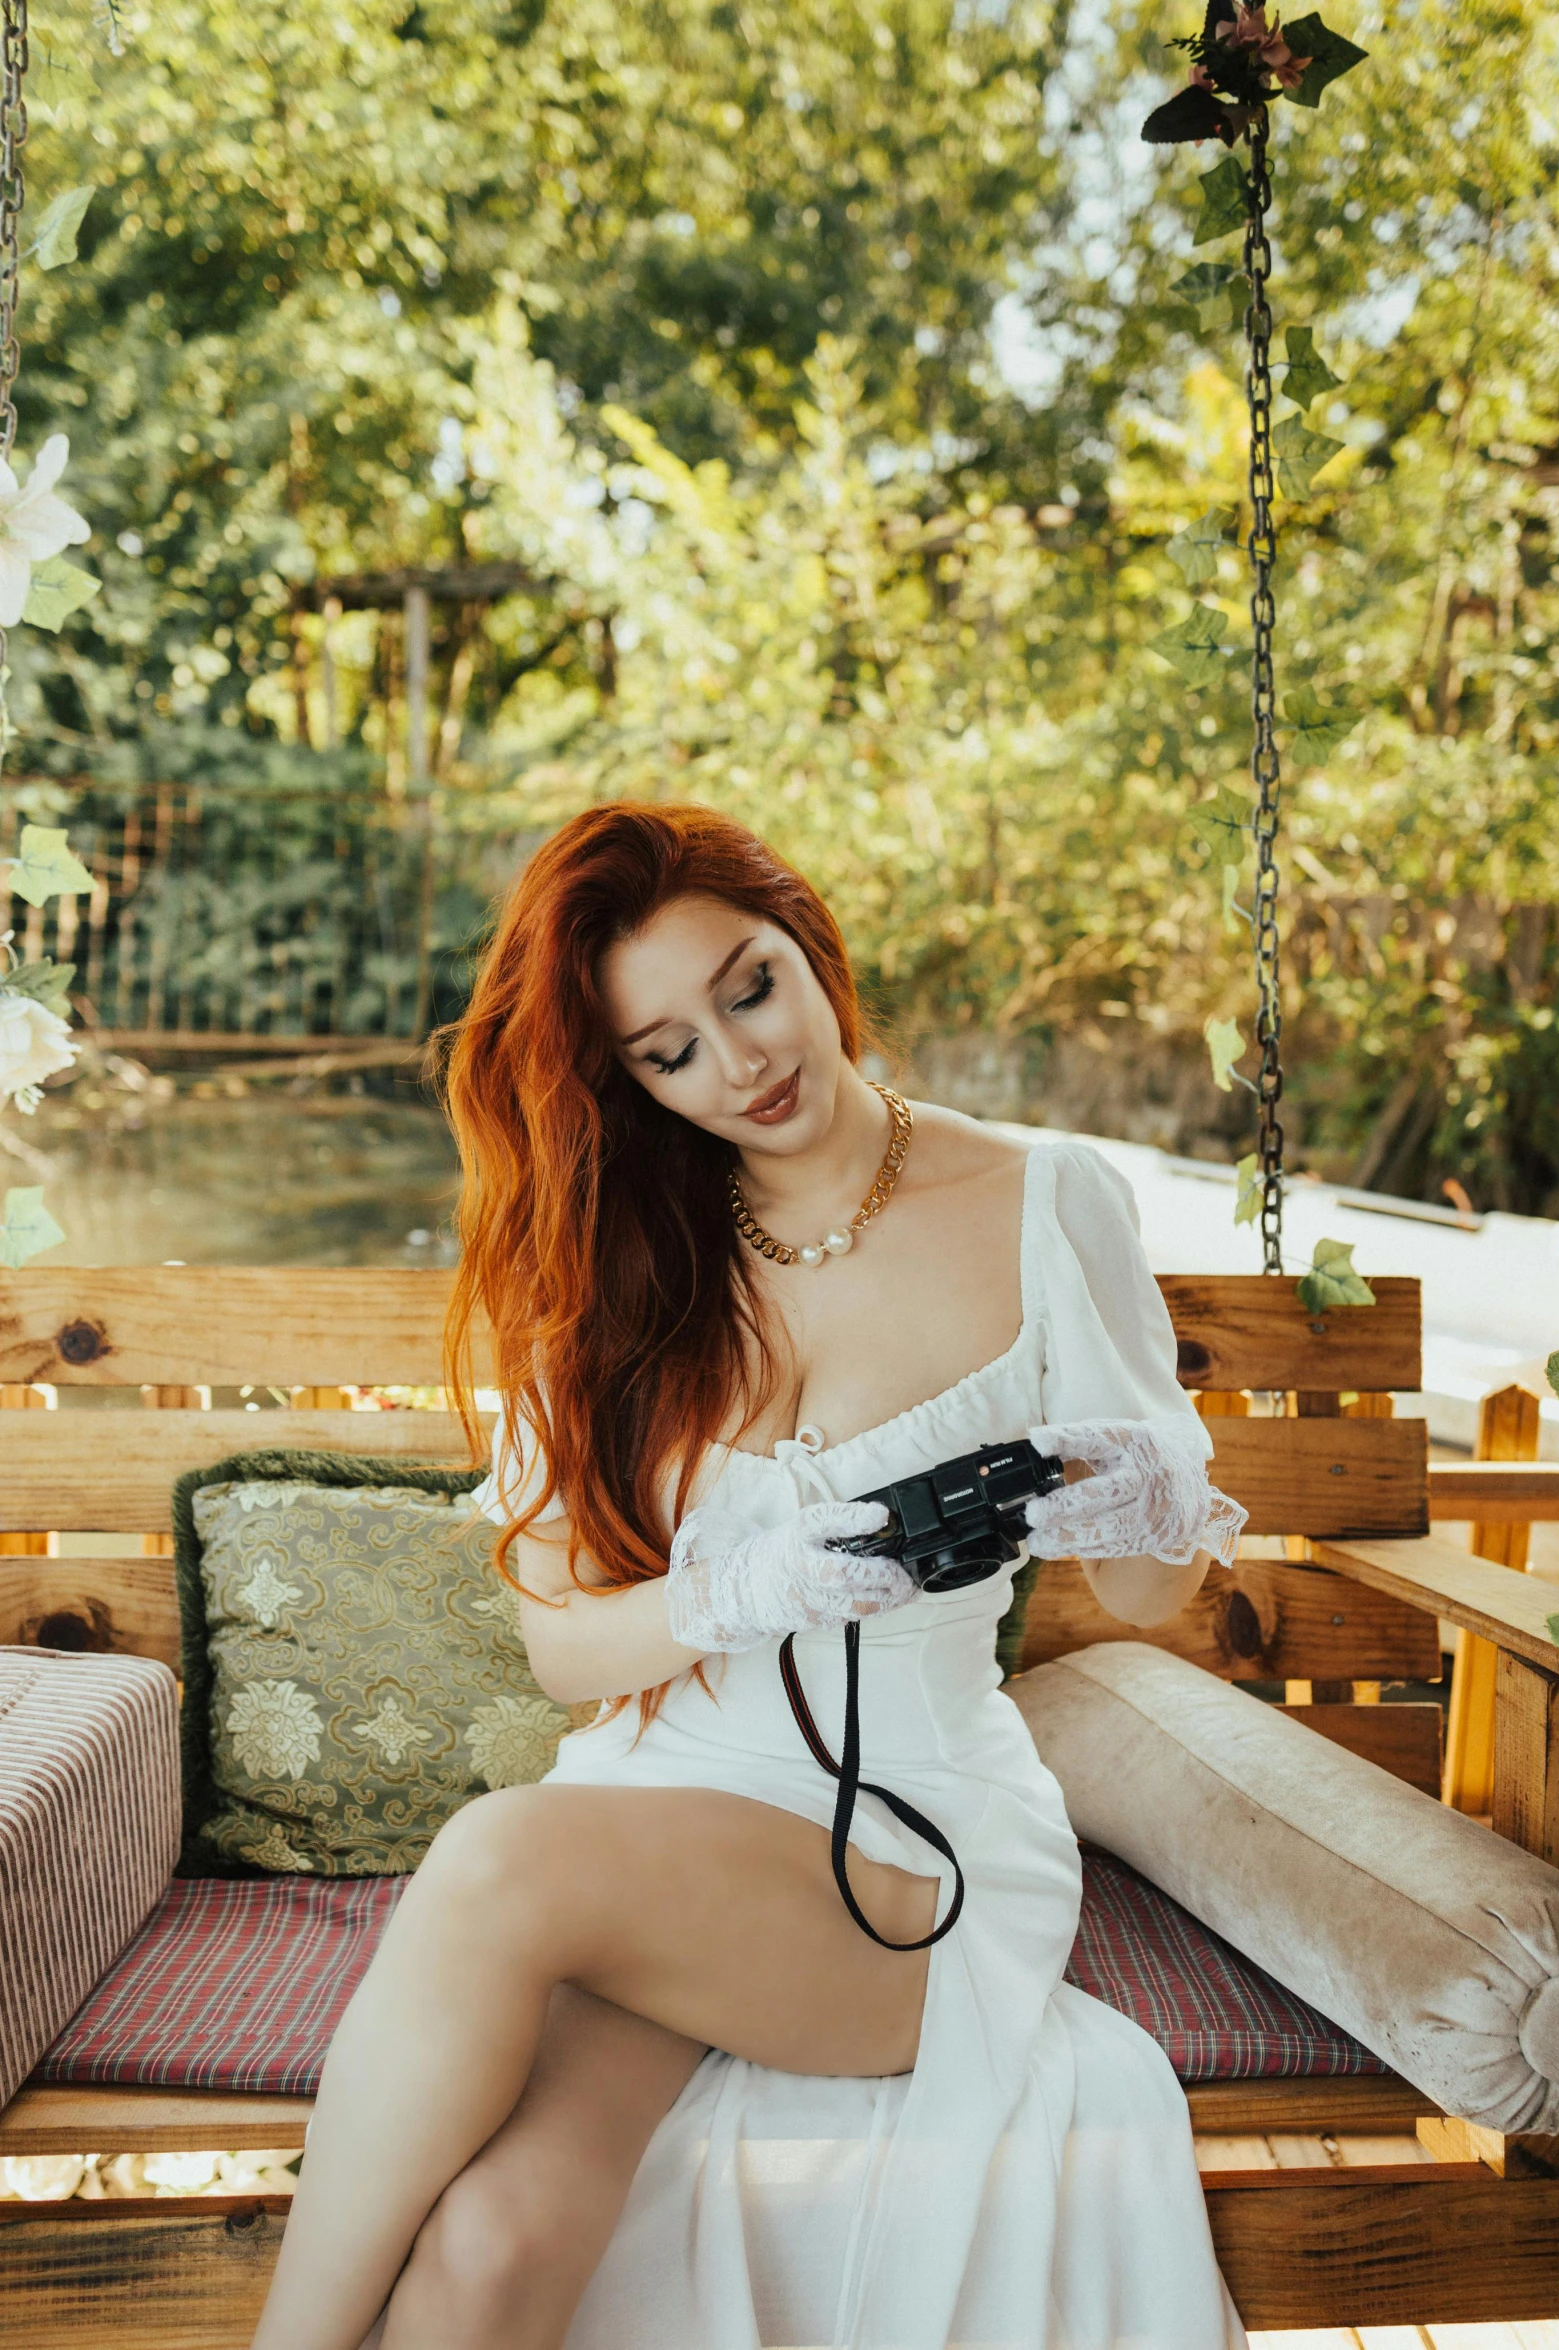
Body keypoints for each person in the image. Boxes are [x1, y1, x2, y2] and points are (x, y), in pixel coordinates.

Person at [249, 802, 1249, 2350]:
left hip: (903, 1844)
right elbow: (569, 1654)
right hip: (650, 1834)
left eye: (748, 985)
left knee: (502, 1859)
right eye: (666, 1052)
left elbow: (1140, 1599)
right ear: (625, 1079)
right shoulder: (609, 1251)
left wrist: (1141, 1491)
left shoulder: (1051, 1199)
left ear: (807, 942)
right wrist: (746, 1588)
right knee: (496, 2236)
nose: (740, 1063)